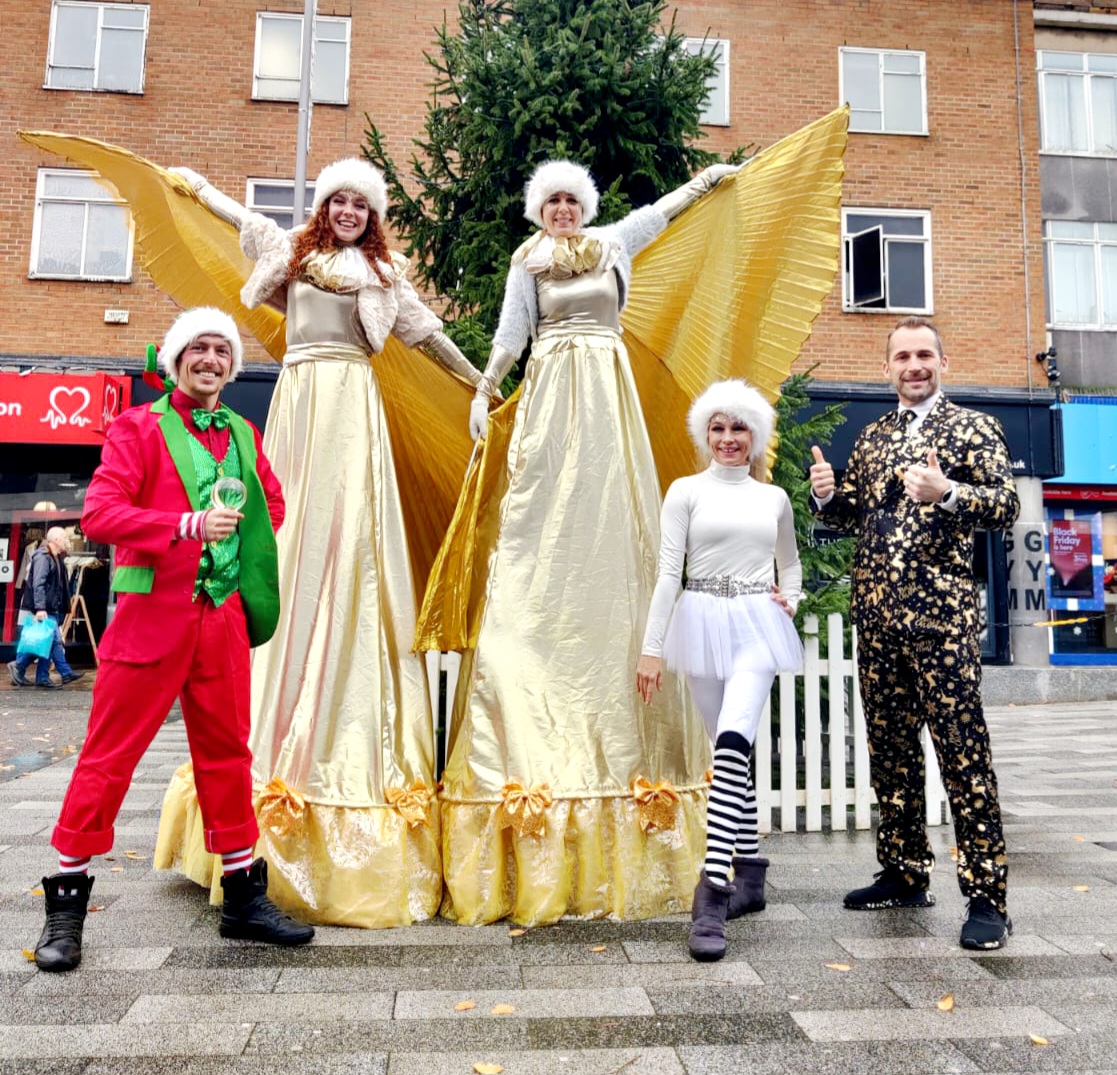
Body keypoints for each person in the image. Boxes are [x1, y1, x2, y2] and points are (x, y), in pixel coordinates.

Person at [155, 159, 484, 927]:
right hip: (301, 400)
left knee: (355, 540)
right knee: (291, 525)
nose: (346, 210)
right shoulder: (292, 256)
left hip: (352, 405)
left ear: (372, 216)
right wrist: (198, 188)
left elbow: (427, 335)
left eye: (359, 203)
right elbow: (242, 220)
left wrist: (480, 382)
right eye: (336, 199)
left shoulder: (383, 275)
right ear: (322, 207)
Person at [436, 159, 738, 926]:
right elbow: (512, 332)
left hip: (605, 390)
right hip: (550, 390)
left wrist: (703, 182)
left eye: (572, 198)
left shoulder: (610, 243)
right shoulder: (528, 260)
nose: (563, 209)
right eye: (552, 200)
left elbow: (659, 214)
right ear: (538, 210)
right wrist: (486, 386)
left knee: (614, 513)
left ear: (585, 205)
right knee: (537, 521)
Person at [32, 307, 313, 972]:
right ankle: (66, 906)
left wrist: (240, 556)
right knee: (108, 756)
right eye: (199, 348)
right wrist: (186, 525)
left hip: (221, 618)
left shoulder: (242, 430)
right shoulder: (137, 426)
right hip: (150, 618)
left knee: (228, 755)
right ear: (177, 359)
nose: (211, 359)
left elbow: (270, 504)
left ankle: (242, 897)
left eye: (222, 350)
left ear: (231, 366)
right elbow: (101, 513)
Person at [808, 315, 1020, 950]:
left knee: (962, 752)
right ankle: (904, 872)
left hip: (942, 619)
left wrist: (948, 491)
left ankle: (987, 898)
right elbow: (854, 515)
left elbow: (1006, 504)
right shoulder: (873, 436)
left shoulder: (973, 427)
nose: (914, 365)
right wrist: (827, 497)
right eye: (902, 356)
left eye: (924, 354)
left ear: (943, 363)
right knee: (891, 751)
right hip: (878, 617)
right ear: (887, 369)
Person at [635, 380, 802, 961]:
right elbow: (668, 574)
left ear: (756, 436)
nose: (728, 438)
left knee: (732, 746)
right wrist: (651, 648)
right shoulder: (685, 491)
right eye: (718, 427)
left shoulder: (773, 498)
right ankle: (751, 877)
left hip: (757, 625)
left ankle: (711, 894)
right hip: (700, 621)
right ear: (705, 433)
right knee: (730, 752)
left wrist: (791, 599)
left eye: (739, 428)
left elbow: (790, 564)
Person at [8, 526, 83, 689]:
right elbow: (38, 584)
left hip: (51, 607)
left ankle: (34, 673)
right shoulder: (43, 557)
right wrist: (40, 608)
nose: (67, 541)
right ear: (56, 540)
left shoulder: (57, 557)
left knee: (48, 642)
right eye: (64, 538)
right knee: (52, 640)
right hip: (44, 608)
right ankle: (62, 672)